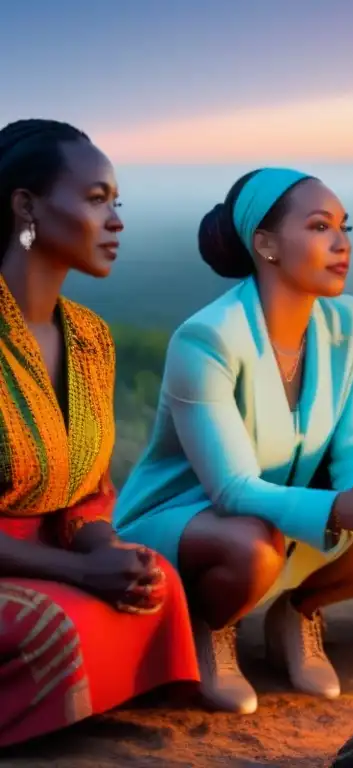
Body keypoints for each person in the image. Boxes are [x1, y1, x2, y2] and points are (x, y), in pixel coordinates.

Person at [114, 168, 353, 715]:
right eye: (318, 226)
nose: (341, 243)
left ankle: (299, 611)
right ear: (265, 245)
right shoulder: (207, 337)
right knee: (250, 547)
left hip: (277, 512)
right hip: (190, 515)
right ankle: (212, 629)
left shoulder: (351, 323)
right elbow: (233, 489)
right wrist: (337, 507)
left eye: (344, 227)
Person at [0, 119, 199, 747]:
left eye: (117, 201)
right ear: (26, 206)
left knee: (155, 585)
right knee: (56, 626)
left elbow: (87, 490)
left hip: (52, 554)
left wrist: (103, 549)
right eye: (95, 199)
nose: (115, 219)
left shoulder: (89, 337)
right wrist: (77, 573)